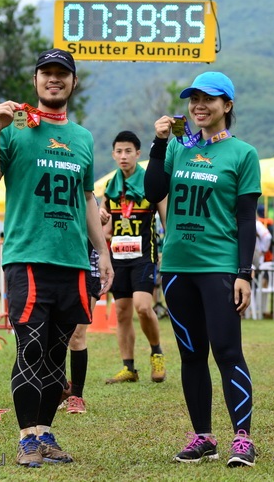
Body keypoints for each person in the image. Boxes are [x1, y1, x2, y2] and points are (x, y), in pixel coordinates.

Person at [0, 48, 113, 468]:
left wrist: (102, 252)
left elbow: (87, 199)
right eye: (46, 73)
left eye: (62, 73)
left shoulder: (83, 138)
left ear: (73, 82)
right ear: (35, 80)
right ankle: (26, 439)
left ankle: (45, 432)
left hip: (72, 261)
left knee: (57, 353)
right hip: (28, 257)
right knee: (31, 348)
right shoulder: (15, 126)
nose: (54, 79)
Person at [145, 71, 260, 467]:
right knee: (192, 355)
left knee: (227, 352)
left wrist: (244, 273)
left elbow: (246, 219)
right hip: (177, 268)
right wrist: (159, 144)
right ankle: (203, 437)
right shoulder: (178, 147)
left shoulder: (242, 154)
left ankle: (242, 438)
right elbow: (153, 191)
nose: (199, 106)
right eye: (194, 99)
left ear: (227, 105)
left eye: (209, 99)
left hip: (219, 268)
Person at [100, 130, 168, 384]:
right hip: (118, 257)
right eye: (118, 151)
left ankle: (156, 352)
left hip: (144, 256)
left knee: (143, 307)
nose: (123, 156)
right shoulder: (110, 187)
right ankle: (128, 367)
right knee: (121, 312)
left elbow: (167, 221)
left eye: (128, 151)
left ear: (138, 154)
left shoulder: (151, 183)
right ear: (113, 154)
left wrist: (168, 250)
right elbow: (105, 230)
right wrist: (100, 218)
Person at [59, 241, 101, 415]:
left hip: (87, 267)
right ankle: (61, 387)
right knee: (56, 334)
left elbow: (104, 231)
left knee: (76, 334)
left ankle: (76, 395)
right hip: (58, 264)